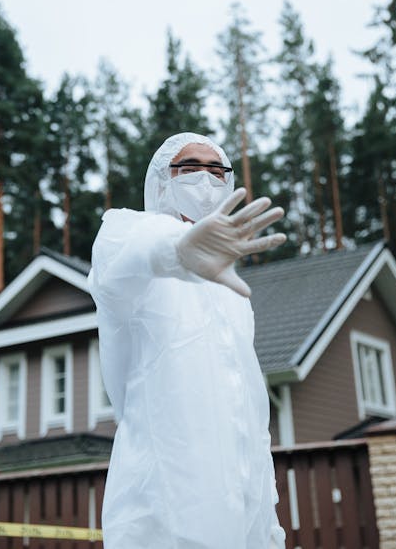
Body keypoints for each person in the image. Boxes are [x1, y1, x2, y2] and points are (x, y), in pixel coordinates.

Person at [88, 132, 287, 549]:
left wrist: (268, 521)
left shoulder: (233, 292)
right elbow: (119, 273)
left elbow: (250, 410)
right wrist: (173, 252)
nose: (204, 180)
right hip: (163, 506)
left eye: (216, 171)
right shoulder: (129, 234)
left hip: (244, 508)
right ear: (162, 179)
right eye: (189, 168)